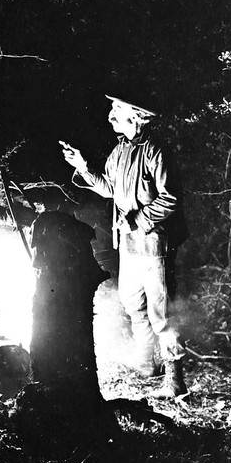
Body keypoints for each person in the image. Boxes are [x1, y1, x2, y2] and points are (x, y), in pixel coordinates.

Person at [61, 94, 189, 397]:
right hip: (129, 244)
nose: (111, 115)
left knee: (162, 313)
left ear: (136, 116)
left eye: (117, 110)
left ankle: (175, 379)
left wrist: (139, 220)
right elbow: (109, 188)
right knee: (132, 301)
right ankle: (146, 363)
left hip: (155, 243)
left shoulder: (157, 152)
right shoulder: (120, 151)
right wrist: (83, 167)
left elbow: (171, 197)